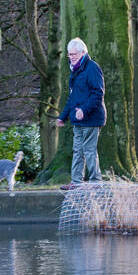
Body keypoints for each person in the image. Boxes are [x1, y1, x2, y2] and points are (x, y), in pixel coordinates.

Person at [56, 38, 105, 189]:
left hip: (92, 118)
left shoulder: (92, 68)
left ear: (83, 52)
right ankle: (76, 182)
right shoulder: (74, 71)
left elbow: (98, 93)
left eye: (74, 54)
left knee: (89, 150)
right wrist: (62, 116)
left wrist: (84, 110)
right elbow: (72, 97)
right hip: (77, 119)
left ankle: (96, 181)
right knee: (77, 151)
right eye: (69, 54)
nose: (71, 57)